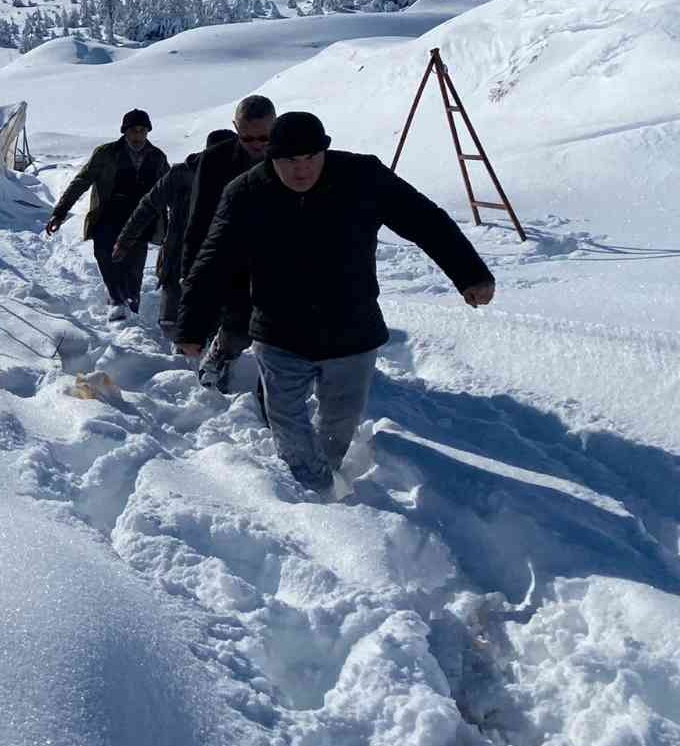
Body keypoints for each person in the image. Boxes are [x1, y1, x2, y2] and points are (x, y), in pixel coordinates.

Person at [175, 111, 496, 493]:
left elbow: (425, 220)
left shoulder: (363, 177)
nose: (300, 170)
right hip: (279, 332)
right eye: (289, 161)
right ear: (271, 159)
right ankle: (313, 490)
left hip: (352, 330)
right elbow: (214, 259)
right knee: (287, 421)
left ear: (325, 151)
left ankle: (326, 472)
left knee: (339, 423)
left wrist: (470, 274)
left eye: (310, 158)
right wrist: (192, 326)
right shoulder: (246, 192)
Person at [178, 95, 277, 391]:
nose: (258, 144)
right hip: (230, 255)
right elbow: (198, 220)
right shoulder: (215, 161)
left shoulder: (292, 154)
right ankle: (221, 351)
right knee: (239, 322)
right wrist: (189, 271)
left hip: (278, 256)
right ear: (235, 128)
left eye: (265, 137)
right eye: (248, 137)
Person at [111, 128, 238, 334]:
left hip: (223, 264)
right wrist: (126, 240)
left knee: (219, 327)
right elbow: (149, 205)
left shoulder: (243, 177)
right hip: (178, 260)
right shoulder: (182, 174)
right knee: (173, 324)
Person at [44, 109, 168, 320]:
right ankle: (116, 300)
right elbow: (81, 182)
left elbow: (169, 190)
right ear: (125, 132)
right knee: (106, 258)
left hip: (141, 222)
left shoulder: (157, 157)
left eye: (142, 131)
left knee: (134, 270)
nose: (138, 136)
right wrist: (60, 212)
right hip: (108, 217)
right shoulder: (106, 154)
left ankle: (132, 313)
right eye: (133, 131)